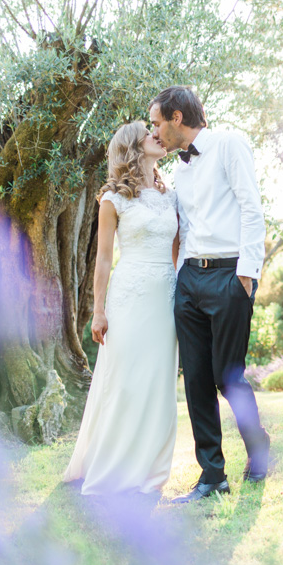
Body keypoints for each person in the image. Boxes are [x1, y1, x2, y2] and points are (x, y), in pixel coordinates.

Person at [148, 86, 272, 504]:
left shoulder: (229, 143)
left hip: (229, 276)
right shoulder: (178, 169)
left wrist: (247, 274)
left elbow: (252, 209)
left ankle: (258, 448)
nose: (155, 131)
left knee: (228, 376)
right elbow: (180, 225)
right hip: (190, 281)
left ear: (177, 118)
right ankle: (212, 474)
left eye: (156, 122)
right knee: (197, 380)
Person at [62, 121, 180, 496]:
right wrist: (99, 310)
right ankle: (112, 464)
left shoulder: (169, 196)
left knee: (158, 383)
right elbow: (103, 260)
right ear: (131, 147)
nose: (157, 136)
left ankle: (152, 470)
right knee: (125, 381)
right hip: (129, 297)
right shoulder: (113, 198)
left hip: (166, 297)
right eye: (149, 133)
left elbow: (178, 251)